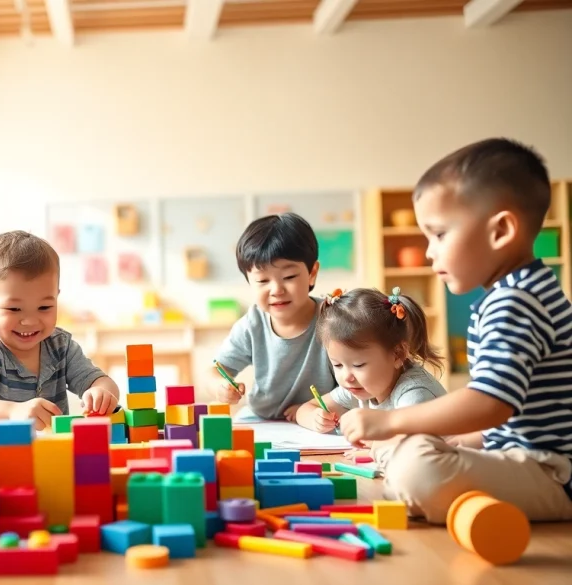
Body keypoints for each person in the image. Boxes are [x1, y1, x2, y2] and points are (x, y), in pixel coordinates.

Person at [340, 138, 572, 522]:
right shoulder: (521, 293)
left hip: (552, 474)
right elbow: (514, 417)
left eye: (439, 234)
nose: (429, 251)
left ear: (500, 231)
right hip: (533, 461)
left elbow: (490, 403)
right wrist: (457, 440)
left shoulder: (515, 301)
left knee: (416, 465)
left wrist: (389, 421)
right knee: (418, 449)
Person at [0, 230, 120, 430]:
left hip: (46, 453)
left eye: (44, 307)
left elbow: (102, 382)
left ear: (56, 298)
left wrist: (100, 392)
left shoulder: (61, 347)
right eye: (14, 309)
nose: (30, 321)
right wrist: (13, 411)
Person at [213, 212, 337, 420]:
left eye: (289, 277)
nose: (277, 290)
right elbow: (215, 370)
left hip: (321, 419)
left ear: (312, 273)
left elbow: (356, 384)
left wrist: (307, 411)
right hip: (262, 418)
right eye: (262, 281)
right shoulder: (251, 325)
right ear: (249, 281)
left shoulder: (335, 319)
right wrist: (220, 386)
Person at [295, 287, 446, 436]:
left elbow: (409, 445)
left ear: (397, 354)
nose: (346, 377)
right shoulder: (360, 387)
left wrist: (372, 448)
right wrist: (315, 418)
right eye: (338, 365)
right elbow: (305, 409)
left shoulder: (414, 394)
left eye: (358, 365)